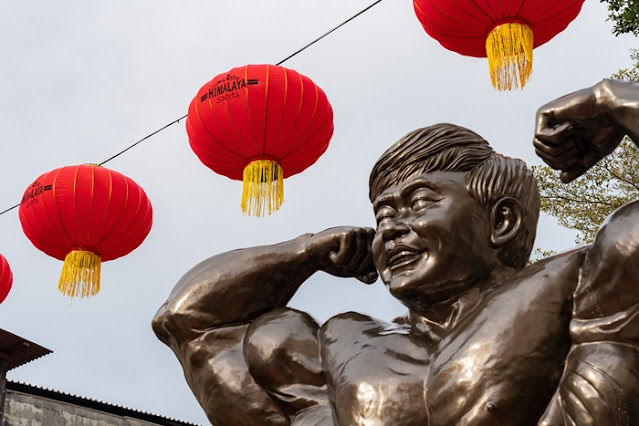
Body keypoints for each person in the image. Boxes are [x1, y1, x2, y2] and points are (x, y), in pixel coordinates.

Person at [153, 79, 639, 426]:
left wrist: (612, 99)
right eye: (383, 215)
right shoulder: (341, 349)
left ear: (501, 220)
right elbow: (188, 320)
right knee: (271, 333)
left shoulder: (573, 288)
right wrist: (305, 251)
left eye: (420, 204)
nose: (392, 230)